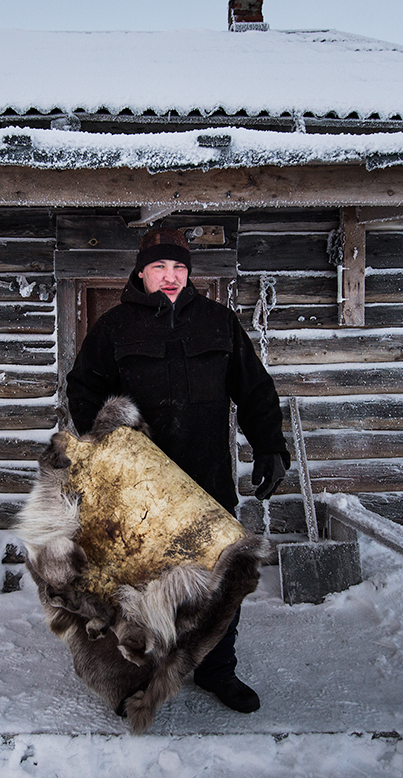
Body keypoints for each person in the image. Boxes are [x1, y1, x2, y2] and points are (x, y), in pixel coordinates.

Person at [65, 227, 291, 714]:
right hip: (139, 493)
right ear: (142, 272)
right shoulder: (114, 328)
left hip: (207, 483)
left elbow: (254, 391)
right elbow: (83, 392)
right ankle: (132, 680)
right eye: (160, 269)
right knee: (134, 588)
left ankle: (216, 670)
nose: (170, 278)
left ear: (189, 273)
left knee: (217, 582)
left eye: (179, 268)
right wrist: (111, 451)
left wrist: (270, 448)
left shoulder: (218, 323)